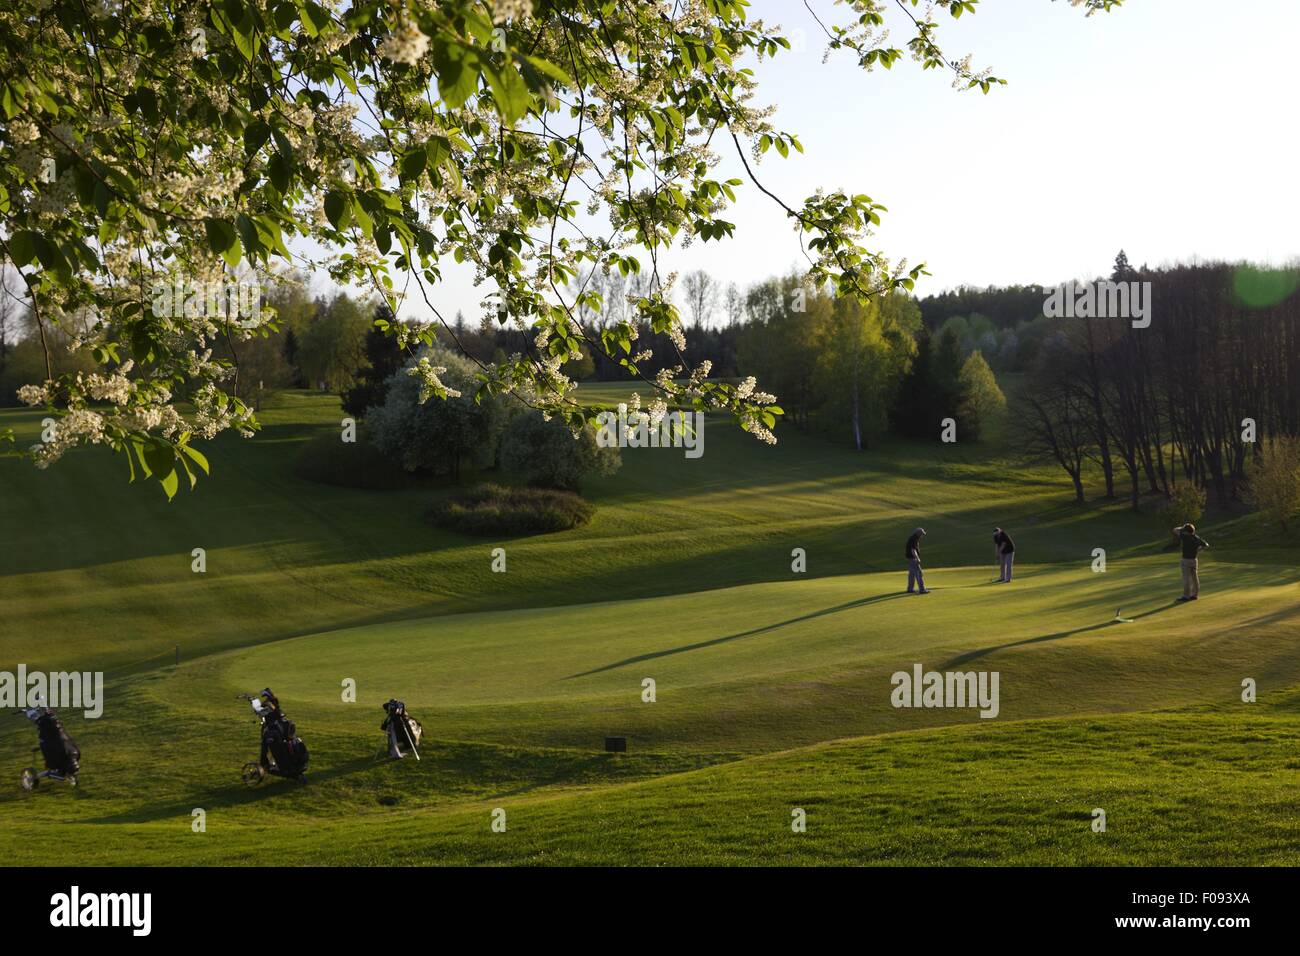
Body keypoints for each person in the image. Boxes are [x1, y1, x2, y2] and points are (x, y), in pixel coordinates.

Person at [24, 704, 80, 781]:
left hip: (53, 736)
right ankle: (35, 709)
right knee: (46, 719)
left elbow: (49, 771)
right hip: (55, 737)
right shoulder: (75, 753)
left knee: (45, 719)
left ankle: (32, 710)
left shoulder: (74, 754)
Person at [1173, 523, 1209, 601]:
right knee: (1194, 578)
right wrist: (1200, 549)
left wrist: (1182, 527)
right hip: (1194, 560)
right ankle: (1194, 595)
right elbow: (1206, 545)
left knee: (1186, 578)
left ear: (1186, 531)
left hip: (1186, 560)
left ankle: (1186, 596)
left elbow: (1175, 529)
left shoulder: (1185, 537)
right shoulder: (1196, 538)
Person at [905, 527, 930, 594]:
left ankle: (910, 589)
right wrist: (917, 558)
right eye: (922, 534)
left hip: (909, 558)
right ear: (918, 534)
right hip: (913, 558)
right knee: (919, 573)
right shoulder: (914, 539)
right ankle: (922, 589)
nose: (922, 536)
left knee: (912, 574)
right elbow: (913, 550)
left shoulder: (913, 538)